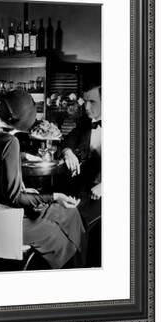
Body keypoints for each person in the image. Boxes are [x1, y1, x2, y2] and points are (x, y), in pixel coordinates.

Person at [0, 89, 84, 269]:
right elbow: (15, 198)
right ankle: (74, 271)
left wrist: (23, 156)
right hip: (10, 220)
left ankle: (79, 260)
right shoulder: (11, 142)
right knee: (59, 235)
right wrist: (55, 196)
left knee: (69, 213)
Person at [61, 80, 102, 228]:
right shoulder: (85, 121)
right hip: (86, 188)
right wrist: (68, 152)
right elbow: (67, 140)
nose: (86, 107)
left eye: (92, 102)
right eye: (85, 101)